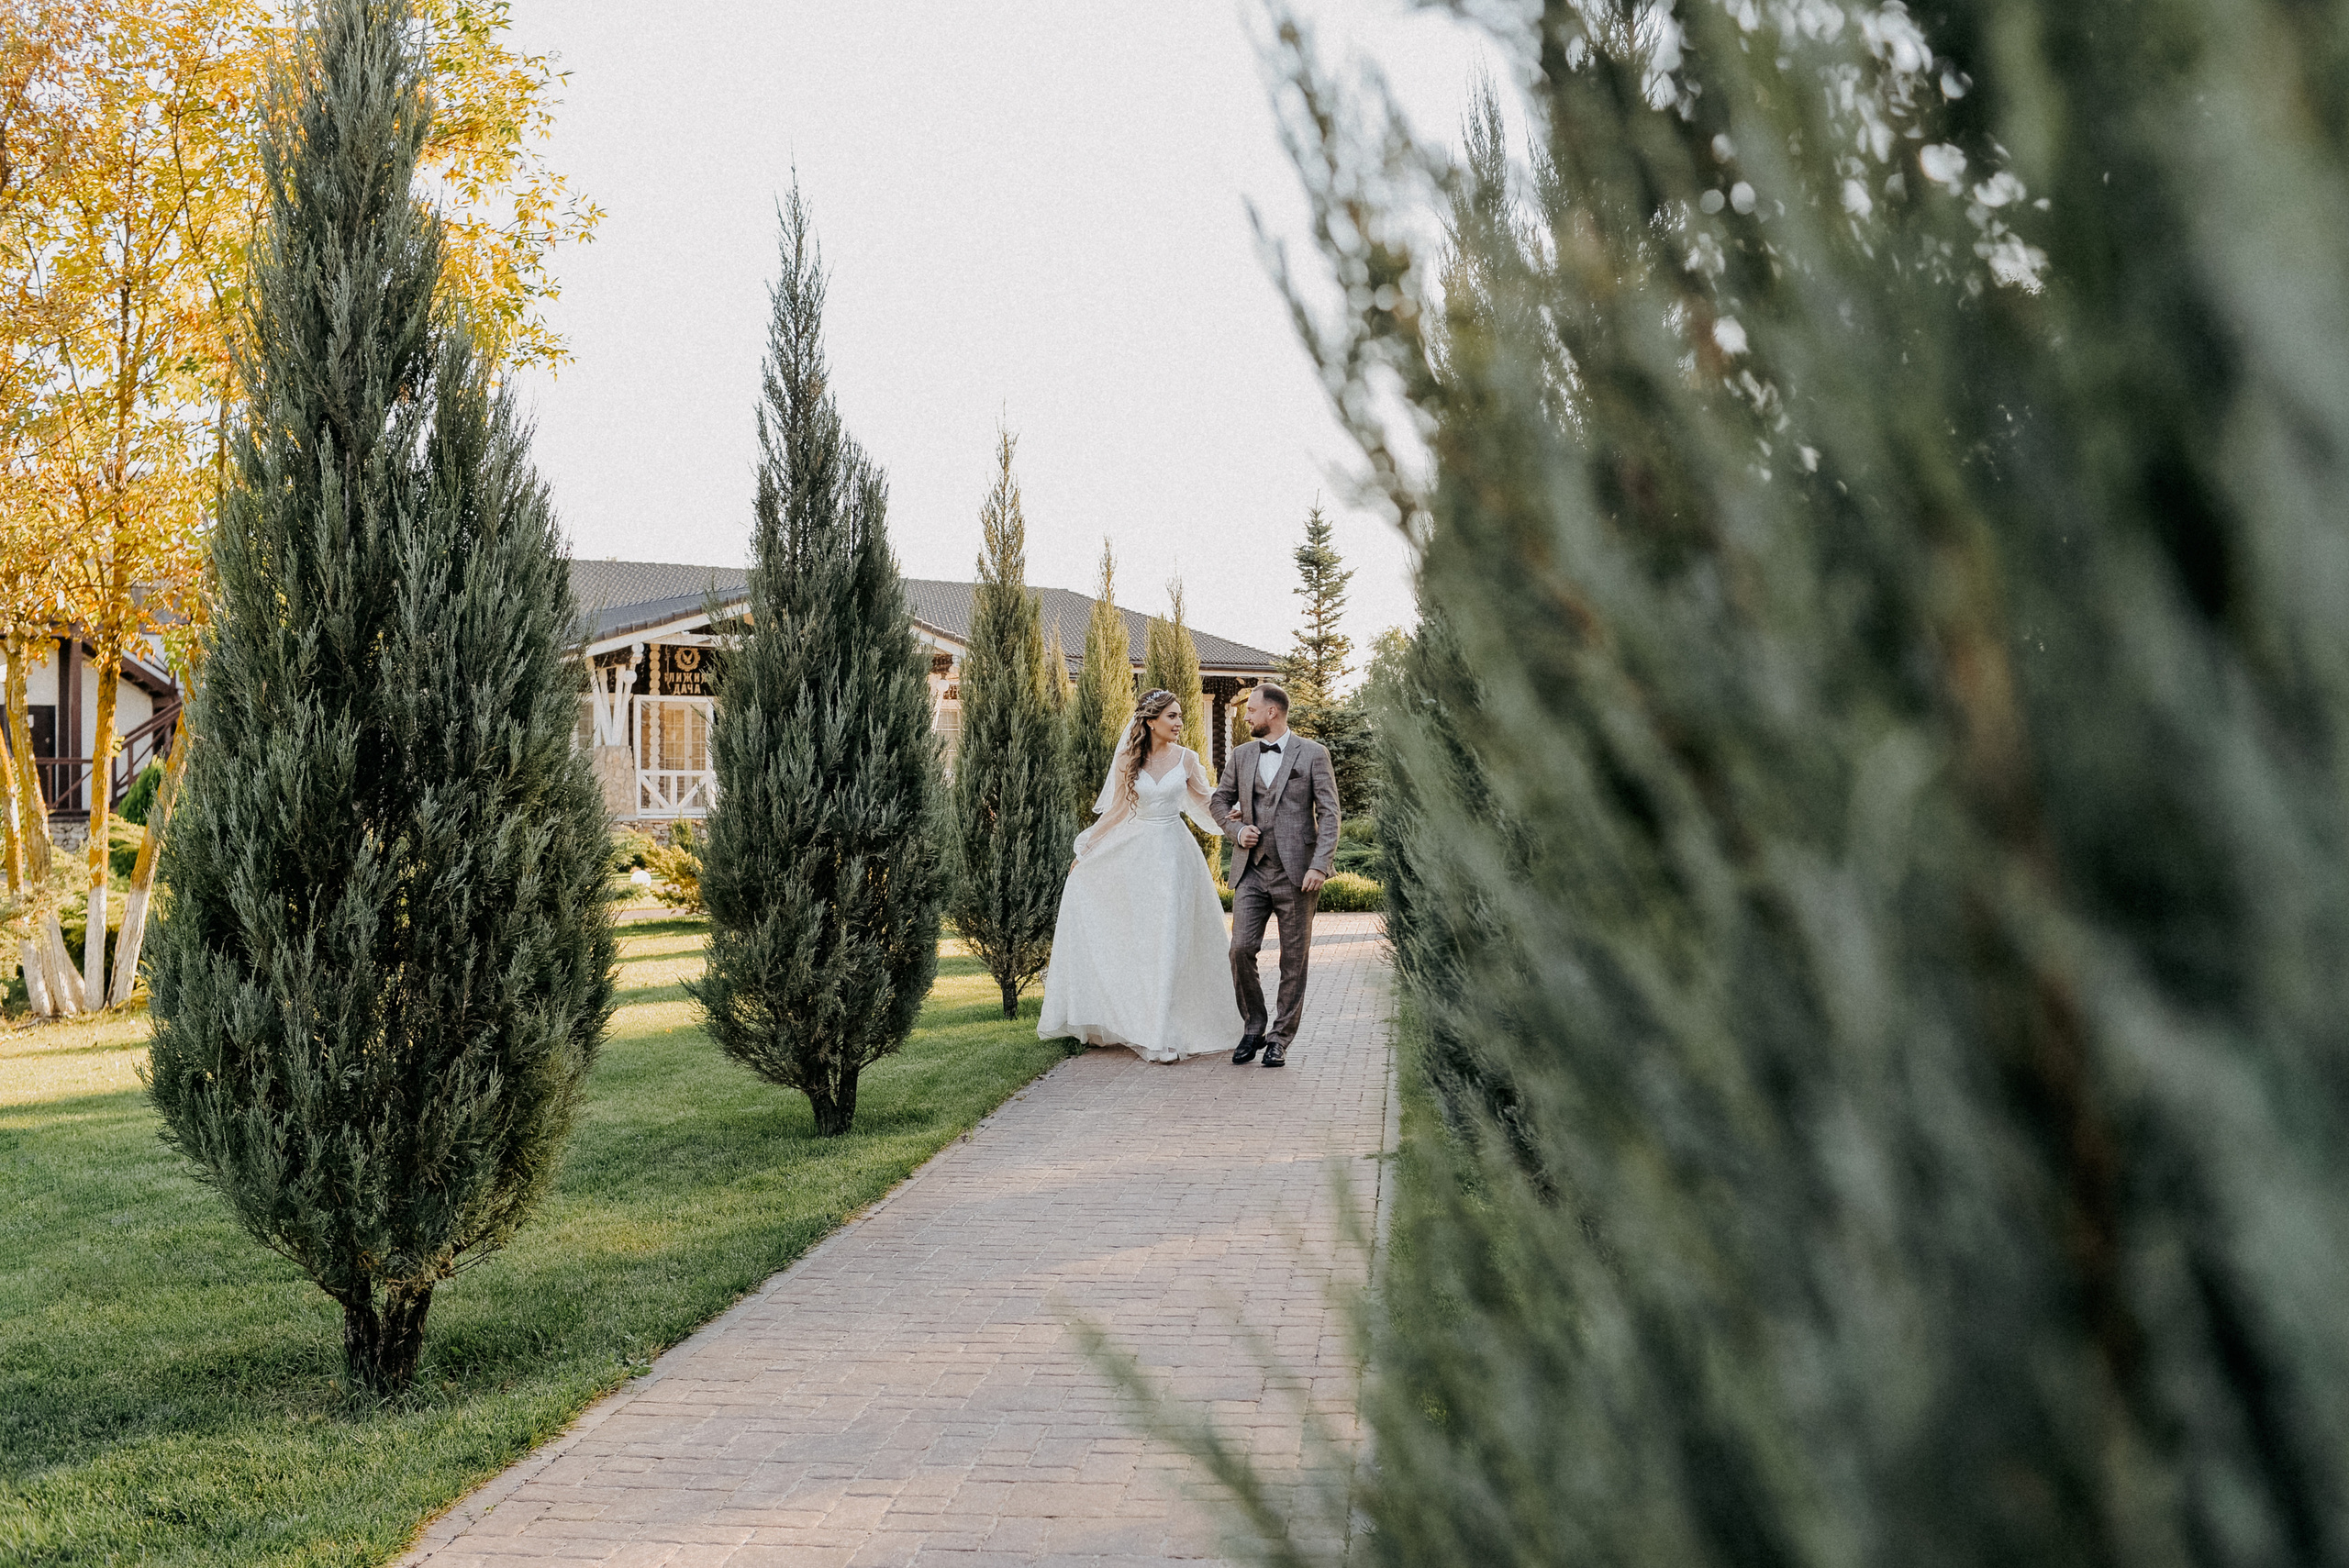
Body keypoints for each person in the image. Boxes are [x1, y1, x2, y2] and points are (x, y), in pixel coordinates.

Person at [1037, 689, 1244, 1062]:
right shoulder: (1129, 760)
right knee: (1146, 941)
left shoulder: (1187, 758)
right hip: (1138, 856)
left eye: (1180, 716)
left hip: (1176, 857)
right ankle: (1143, 1025)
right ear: (1150, 722)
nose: (1179, 723)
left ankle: (1163, 1034)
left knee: (1170, 939)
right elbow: (1117, 812)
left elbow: (1206, 801)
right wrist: (1087, 850)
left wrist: (1237, 812)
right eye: (1171, 716)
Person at [1210, 683, 1339, 1067]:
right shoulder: (1242, 754)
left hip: (1297, 874)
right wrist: (1236, 830)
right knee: (1240, 949)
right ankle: (1254, 1026)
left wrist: (1319, 864)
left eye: (1251, 710)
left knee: (1293, 959)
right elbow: (1219, 800)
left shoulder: (1313, 754)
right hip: (1251, 869)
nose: (1245, 716)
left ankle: (1281, 1038)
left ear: (1272, 712)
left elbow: (1330, 814)